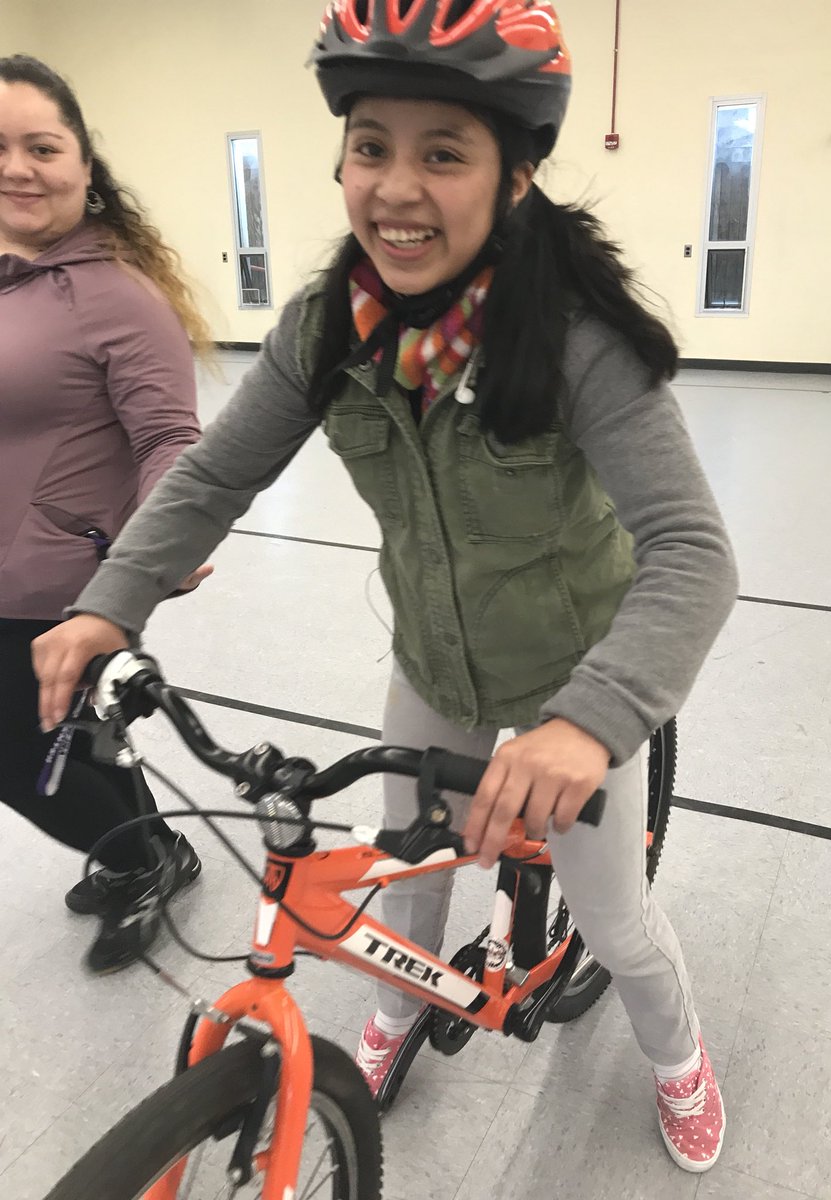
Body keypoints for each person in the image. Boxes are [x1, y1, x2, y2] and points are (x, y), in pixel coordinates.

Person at [32, 0, 739, 1173]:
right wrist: (112, 599)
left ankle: (680, 1059)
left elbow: (693, 549)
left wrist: (590, 722)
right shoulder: (327, 329)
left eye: (443, 153)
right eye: (372, 146)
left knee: (614, 918)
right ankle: (404, 1005)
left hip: (580, 671)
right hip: (435, 659)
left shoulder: (577, 338)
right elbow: (215, 472)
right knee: (402, 881)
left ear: (514, 178)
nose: (396, 187)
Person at [0, 54, 211, 974]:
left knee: (18, 755)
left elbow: (172, 436)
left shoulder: (117, 294)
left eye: (42, 147)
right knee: (69, 744)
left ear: (87, 166)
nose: (18, 167)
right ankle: (151, 851)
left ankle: (139, 859)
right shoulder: (14, 281)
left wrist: (168, 544)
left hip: (62, 585)